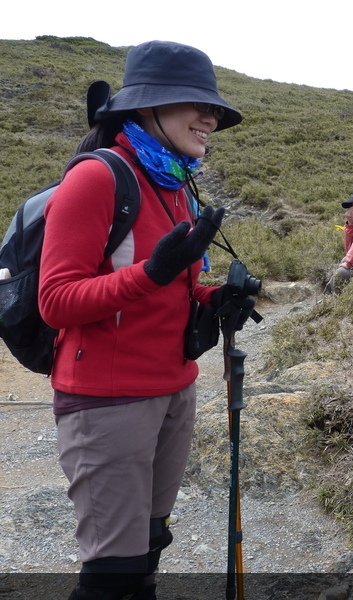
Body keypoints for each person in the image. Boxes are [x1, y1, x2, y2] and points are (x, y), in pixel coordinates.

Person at [38, 40, 254, 600]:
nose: (210, 117)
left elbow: (172, 287)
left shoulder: (174, 181)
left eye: (214, 109)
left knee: (151, 544)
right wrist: (154, 273)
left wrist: (212, 299)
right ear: (146, 106)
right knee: (114, 570)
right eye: (193, 103)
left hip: (173, 390)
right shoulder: (97, 178)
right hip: (108, 401)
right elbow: (56, 300)